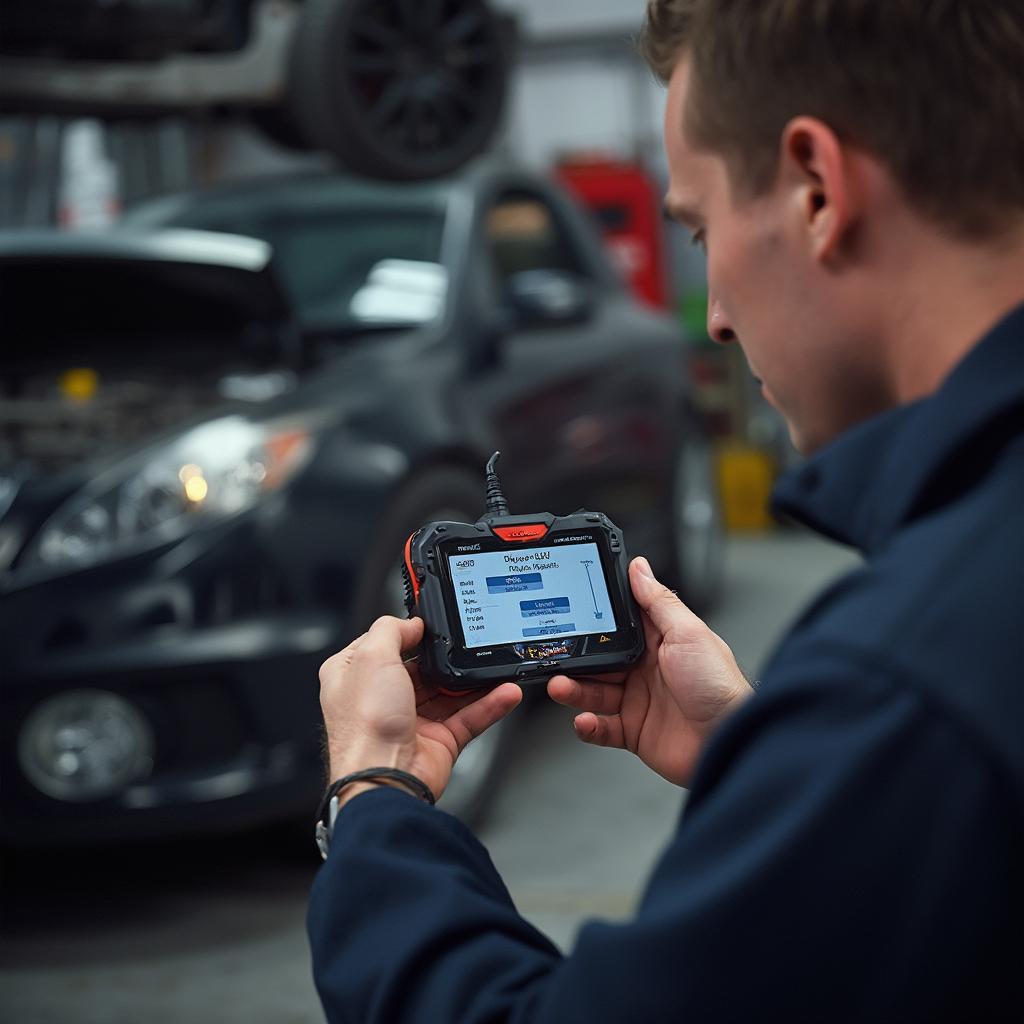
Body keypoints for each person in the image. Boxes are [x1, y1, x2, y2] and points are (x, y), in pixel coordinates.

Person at [308, 1, 1024, 1019]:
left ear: (817, 189)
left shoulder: (910, 680)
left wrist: (373, 802)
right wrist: (773, 759)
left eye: (697, 226)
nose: (717, 317)